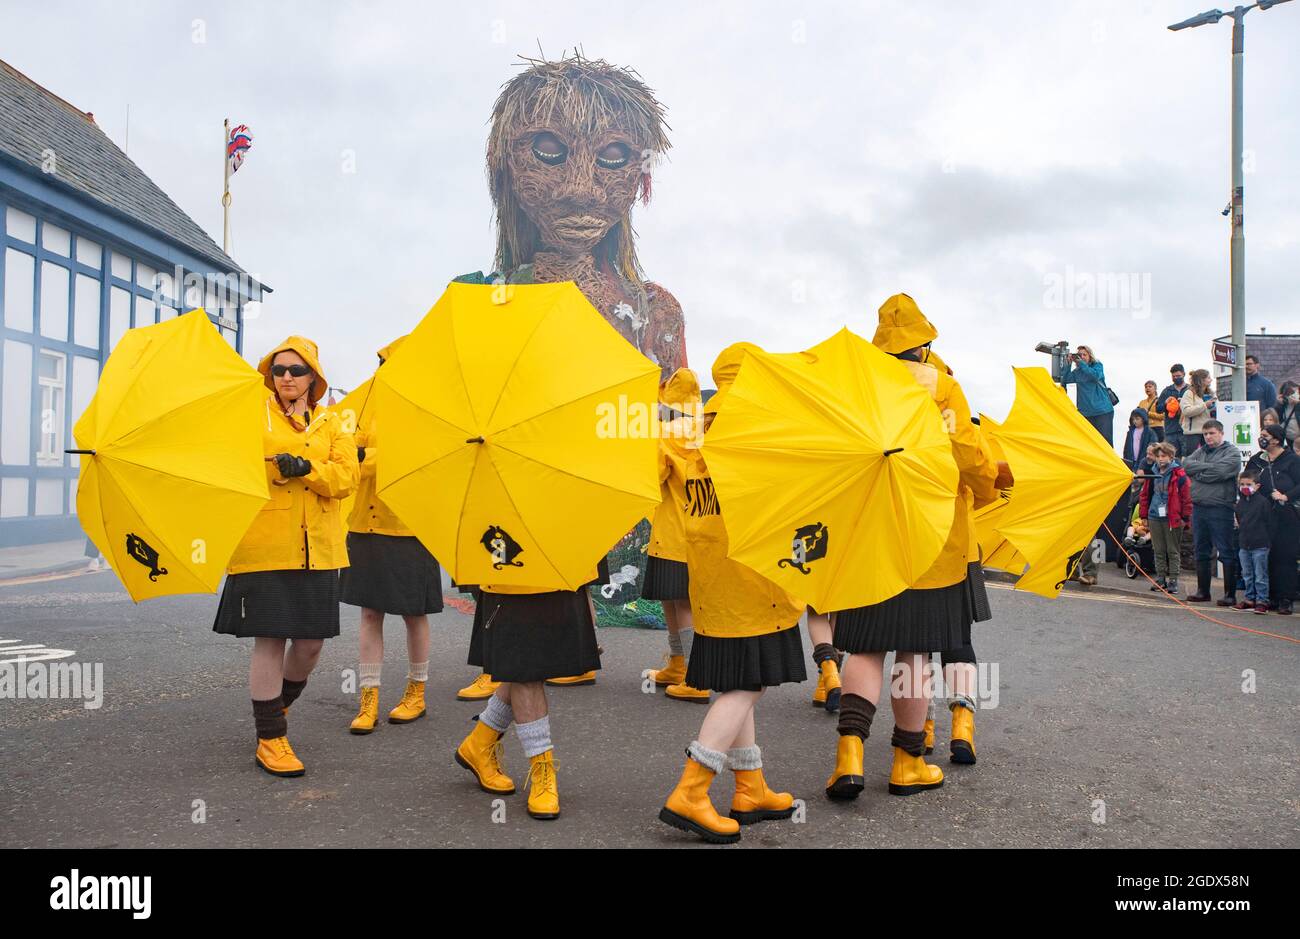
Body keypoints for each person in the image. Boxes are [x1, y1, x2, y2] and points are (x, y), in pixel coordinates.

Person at [826, 295, 1003, 800]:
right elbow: (968, 452)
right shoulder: (941, 386)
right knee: (913, 654)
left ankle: (849, 759)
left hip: (870, 532)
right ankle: (907, 762)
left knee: (863, 647)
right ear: (923, 345)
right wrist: (989, 485)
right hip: (932, 538)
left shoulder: (855, 384)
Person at [658, 344, 805, 844]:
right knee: (749, 683)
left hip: (712, 577)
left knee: (738, 682)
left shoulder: (693, 431)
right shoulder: (762, 429)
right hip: (756, 578)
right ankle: (692, 791)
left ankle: (751, 786)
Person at [213, 337, 359, 777]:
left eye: (297, 370)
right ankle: (271, 737)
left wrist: (306, 469)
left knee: (310, 645)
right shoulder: (250, 416)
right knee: (271, 639)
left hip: (319, 548)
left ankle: (278, 708)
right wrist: (273, 465)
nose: (287, 378)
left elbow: (346, 478)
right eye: (279, 370)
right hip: (263, 544)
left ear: (313, 377)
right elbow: (232, 464)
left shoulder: (333, 424)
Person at [340, 337, 445, 734]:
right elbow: (347, 455)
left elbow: (418, 461)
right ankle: (368, 700)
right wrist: (360, 456)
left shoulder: (431, 414)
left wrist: (368, 457)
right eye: (383, 366)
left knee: (413, 613)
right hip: (364, 524)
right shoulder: (366, 408)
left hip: (410, 528)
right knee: (369, 613)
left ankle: (416, 692)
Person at [453, 555, 607, 820]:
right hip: (511, 572)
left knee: (526, 664)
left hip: (561, 561)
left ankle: (479, 743)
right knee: (526, 671)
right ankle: (542, 770)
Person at [642, 367, 709, 703]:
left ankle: (695, 674)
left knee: (678, 604)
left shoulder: (667, 434)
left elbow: (652, 477)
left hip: (670, 532)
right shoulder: (706, 432)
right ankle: (679, 664)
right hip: (696, 531)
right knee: (676, 599)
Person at [1182, 420, 1242, 605]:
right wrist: (1208, 471)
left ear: (1221, 433)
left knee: (1225, 551)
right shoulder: (1201, 451)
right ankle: (1202, 592)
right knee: (1201, 550)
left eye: (1212, 433)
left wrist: (1200, 473)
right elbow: (1187, 465)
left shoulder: (1232, 452)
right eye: (1205, 434)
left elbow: (1224, 471)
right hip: (1200, 507)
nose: (1208, 437)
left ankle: (1230, 594)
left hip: (1221, 506)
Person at [1245, 424, 1300, 615]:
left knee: (1285, 557)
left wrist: (1286, 496)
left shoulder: (1291, 460)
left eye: (1265, 435)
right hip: (1262, 517)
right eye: (1260, 435)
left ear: (1276, 439)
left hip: (1285, 516)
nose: (1261, 438)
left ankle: (1286, 599)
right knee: (1267, 557)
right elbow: (1246, 480)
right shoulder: (1256, 460)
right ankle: (1270, 597)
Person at [1138, 442, 1191, 595]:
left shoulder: (1179, 475)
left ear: (1171, 457)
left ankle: (1173, 580)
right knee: (1158, 549)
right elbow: (1145, 495)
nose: (1160, 459)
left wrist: (1185, 518)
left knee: (1172, 550)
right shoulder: (1152, 473)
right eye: (1158, 456)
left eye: (1164, 456)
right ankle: (1160, 578)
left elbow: (1186, 498)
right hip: (1155, 515)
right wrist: (1144, 515)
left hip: (1172, 517)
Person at [1233, 468, 1275, 615]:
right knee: (1247, 574)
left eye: (1248, 484)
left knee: (1260, 575)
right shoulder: (1240, 503)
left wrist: (1266, 541)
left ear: (1257, 486)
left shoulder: (1263, 502)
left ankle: (1262, 600)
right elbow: (1239, 520)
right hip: (1244, 544)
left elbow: (1270, 523)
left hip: (1260, 544)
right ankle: (1249, 598)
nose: (1245, 487)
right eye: (1242, 484)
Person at [1061, 344, 1115, 446]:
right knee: (1089, 444)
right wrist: (1068, 365)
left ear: (1090, 356)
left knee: (1105, 443)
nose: (1081, 357)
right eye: (1079, 355)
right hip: (1086, 413)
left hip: (1102, 411)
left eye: (1084, 355)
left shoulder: (1097, 366)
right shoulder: (1077, 372)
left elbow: (1095, 376)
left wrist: (1082, 364)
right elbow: (1065, 382)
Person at [1179, 369, 1217, 454]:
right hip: (1193, 434)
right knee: (1191, 459)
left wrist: (1214, 407)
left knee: (1208, 458)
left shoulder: (1211, 394)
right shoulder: (1189, 393)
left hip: (1208, 432)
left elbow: (1209, 412)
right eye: (1208, 378)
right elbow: (1186, 411)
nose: (1211, 380)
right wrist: (1205, 405)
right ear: (1201, 380)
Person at [1156, 365, 1189, 457]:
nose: (1176, 378)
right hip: (1170, 430)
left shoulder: (1190, 389)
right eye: (1174, 376)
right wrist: (1166, 403)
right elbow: (1158, 409)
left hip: (1186, 430)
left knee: (1186, 457)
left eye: (1178, 376)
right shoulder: (1167, 391)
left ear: (1184, 374)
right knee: (1170, 457)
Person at [1122, 407, 1158, 473]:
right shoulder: (1130, 432)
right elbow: (1126, 448)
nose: (1135, 421)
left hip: (1144, 463)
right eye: (1133, 419)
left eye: (1137, 419)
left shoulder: (1150, 432)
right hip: (1131, 462)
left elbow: (1154, 447)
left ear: (1143, 419)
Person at [1278, 381, 1300, 446]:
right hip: (1287, 439)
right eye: (1289, 394)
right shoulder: (1283, 405)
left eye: (1295, 393)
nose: (1292, 396)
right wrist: (1279, 403)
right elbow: (1275, 418)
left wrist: (1298, 404)